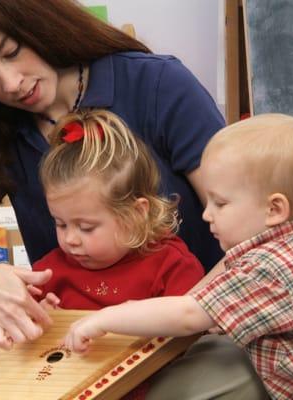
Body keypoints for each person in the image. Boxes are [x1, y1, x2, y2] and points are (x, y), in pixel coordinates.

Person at [0, 1, 269, 399]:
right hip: (71, 358)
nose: (9, 83)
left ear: (39, 20)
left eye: (10, 52)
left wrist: (175, 319)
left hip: (186, 345)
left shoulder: (158, 85)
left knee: (237, 368)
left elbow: (259, 239)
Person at [64, 114, 293, 400]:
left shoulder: (266, 267)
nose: (207, 214)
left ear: (274, 210)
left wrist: (106, 318)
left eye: (220, 203)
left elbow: (188, 314)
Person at [33, 110, 204, 312]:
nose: (70, 239)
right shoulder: (47, 274)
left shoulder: (172, 267)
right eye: (60, 224)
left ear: (136, 214)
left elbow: (189, 329)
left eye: (86, 227)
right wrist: (42, 319)